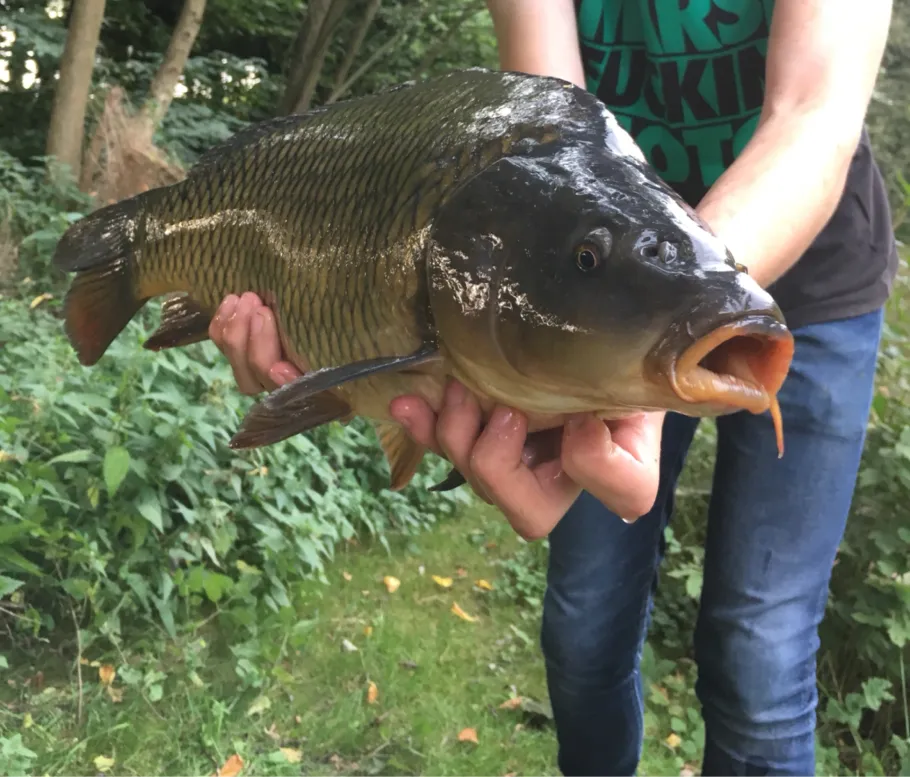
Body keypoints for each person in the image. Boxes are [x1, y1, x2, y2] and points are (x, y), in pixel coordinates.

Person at [207, 1, 898, 774]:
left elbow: (812, 112)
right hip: (586, 280)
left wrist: (685, 293)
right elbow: (549, 115)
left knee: (760, 650)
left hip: (796, 276)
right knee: (583, 628)